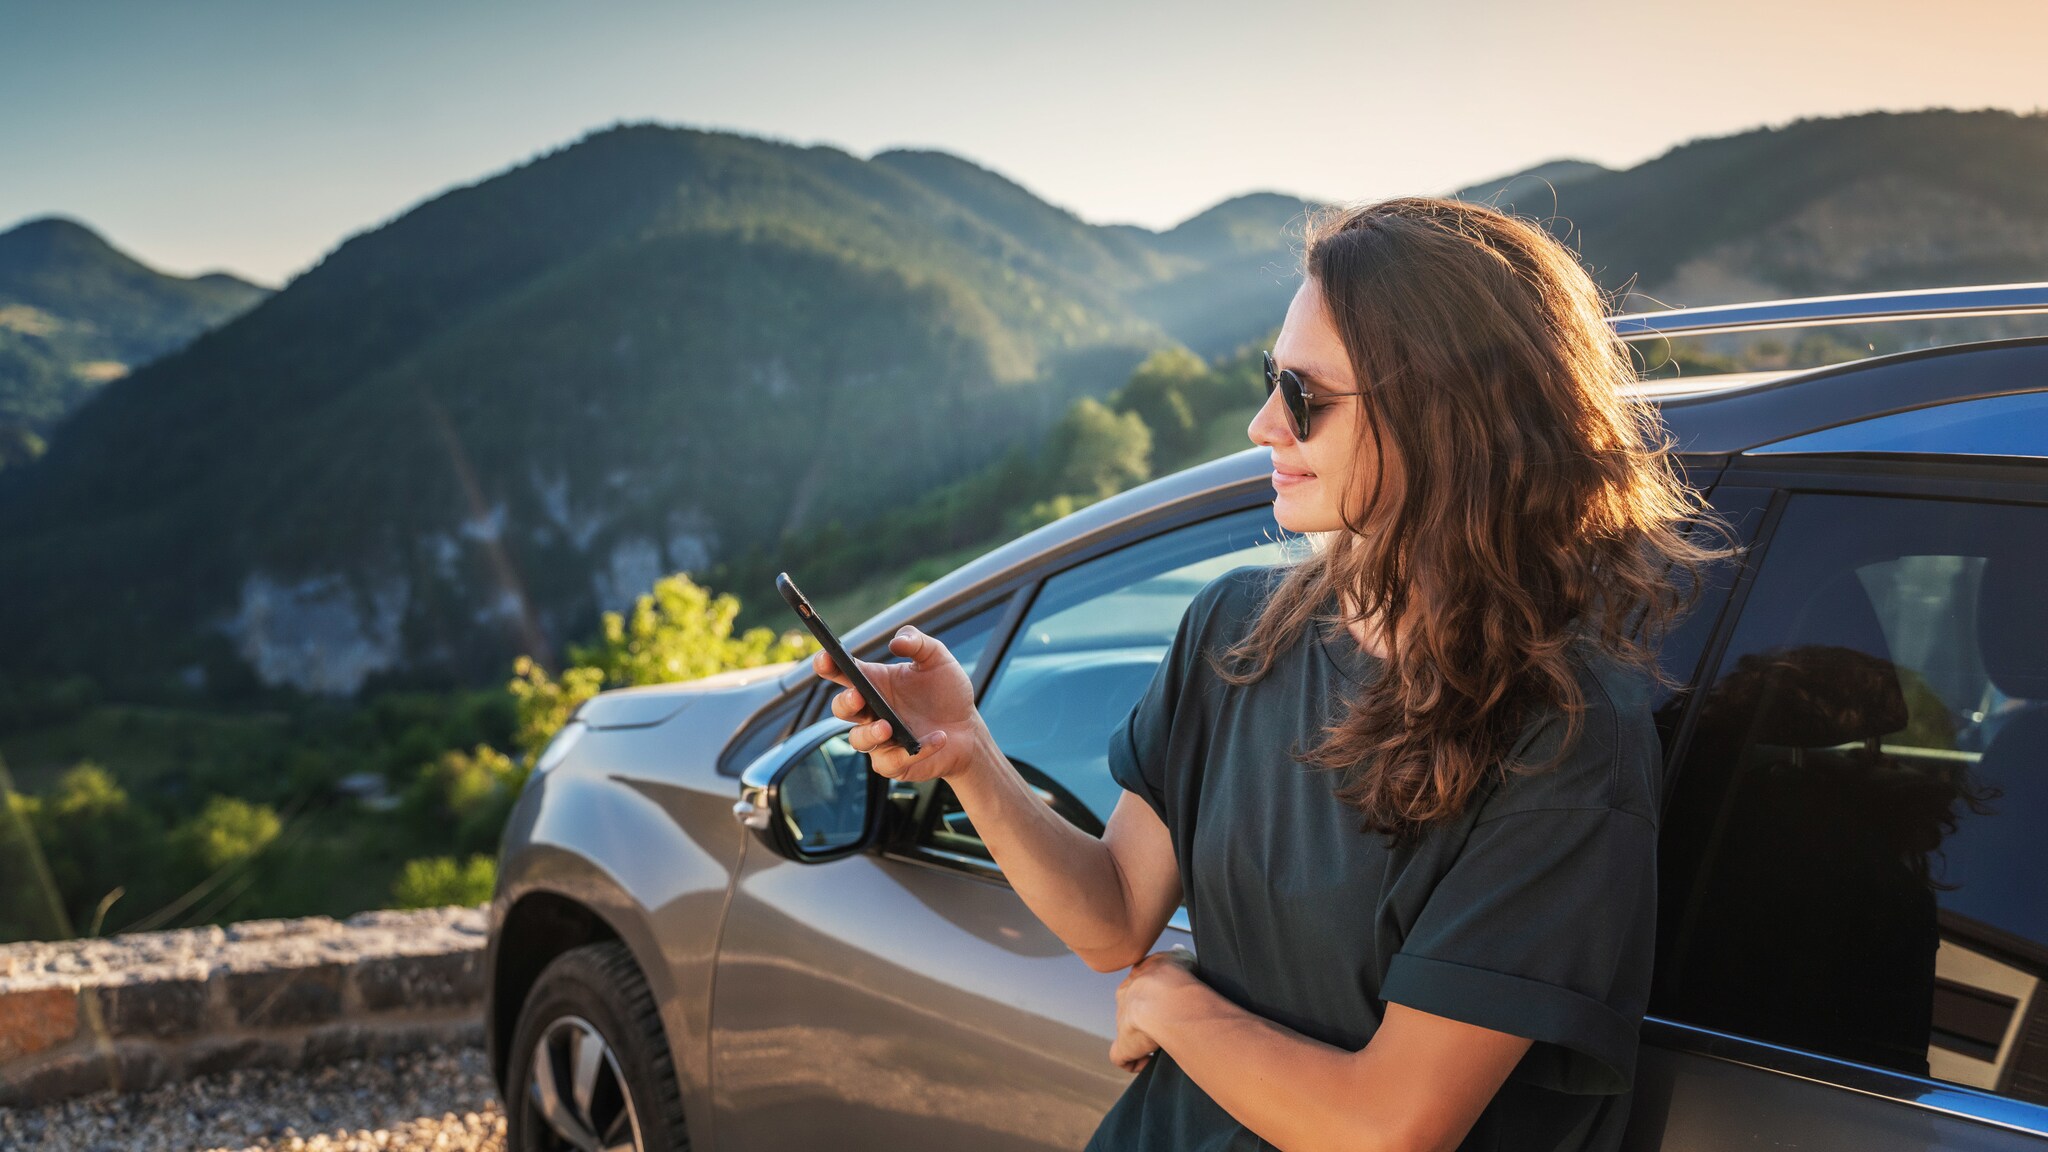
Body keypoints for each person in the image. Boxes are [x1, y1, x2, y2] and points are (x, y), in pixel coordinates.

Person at [810, 196, 1741, 1152]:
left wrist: (1174, 1007)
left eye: (1304, 396)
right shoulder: (1238, 628)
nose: (1262, 425)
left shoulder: (1568, 742)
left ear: (1448, 421)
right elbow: (1114, 917)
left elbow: (1386, 1128)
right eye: (1272, 380)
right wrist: (971, 757)